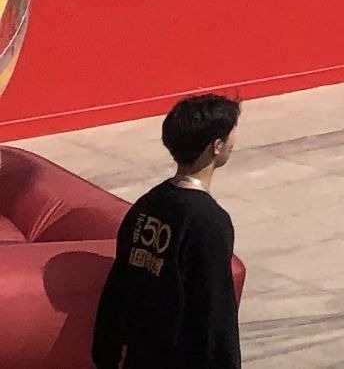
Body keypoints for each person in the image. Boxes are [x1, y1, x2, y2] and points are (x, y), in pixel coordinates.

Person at [91, 93, 241, 369]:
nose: (234, 143)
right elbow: (215, 313)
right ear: (217, 146)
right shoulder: (209, 222)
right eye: (231, 136)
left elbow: (120, 283)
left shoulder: (147, 205)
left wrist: (106, 351)